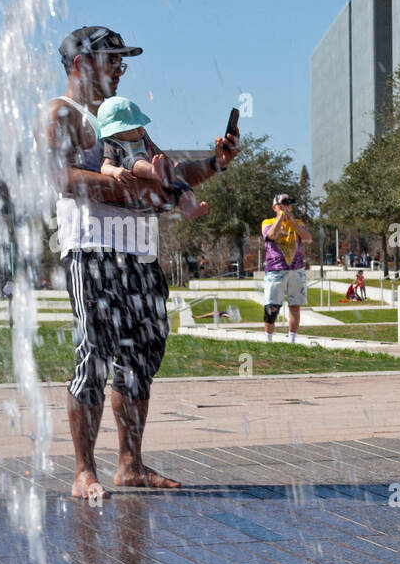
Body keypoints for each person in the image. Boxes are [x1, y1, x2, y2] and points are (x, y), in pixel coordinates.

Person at [36, 25, 240, 499]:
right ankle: (84, 471)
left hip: (139, 254)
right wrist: (132, 188)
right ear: (81, 64)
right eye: (114, 60)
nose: (122, 70)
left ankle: (131, 465)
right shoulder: (59, 113)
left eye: (123, 61)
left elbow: (167, 177)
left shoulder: (126, 120)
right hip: (92, 253)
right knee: (95, 355)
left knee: (141, 357)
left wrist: (215, 163)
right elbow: (59, 177)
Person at [97, 96, 207, 220]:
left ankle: (189, 208)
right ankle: (153, 171)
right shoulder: (114, 144)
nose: (141, 130)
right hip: (134, 174)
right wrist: (115, 171)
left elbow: (164, 158)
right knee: (133, 160)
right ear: (116, 132)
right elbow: (104, 166)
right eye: (134, 127)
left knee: (181, 183)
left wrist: (176, 169)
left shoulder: (144, 140)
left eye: (141, 126)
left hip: (155, 180)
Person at [261, 194, 311, 343]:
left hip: (296, 270)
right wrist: (281, 217)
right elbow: (272, 235)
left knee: (295, 306)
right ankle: (269, 339)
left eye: (289, 204)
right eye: (283, 204)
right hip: (275, 270)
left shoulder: (298, 223)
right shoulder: (267, 222)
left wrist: (293, 222)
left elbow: (308, 238)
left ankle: (292, 340)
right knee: (272, 307)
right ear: (274, 207)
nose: (287, 206)